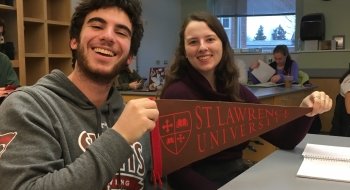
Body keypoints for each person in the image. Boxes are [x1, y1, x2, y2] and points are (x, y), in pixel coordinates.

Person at [0, 0, 164, 189]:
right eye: (96, 25)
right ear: (74, 41)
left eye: (121, 32)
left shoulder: (136, 120)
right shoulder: (27, 107)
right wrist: (120, 137)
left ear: (129, 57)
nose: (108, 36)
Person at [160, 11, 332, 190]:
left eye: (210, 39)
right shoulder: (176, 94)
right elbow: (176, 173)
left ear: (223, 44)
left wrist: (306, 110)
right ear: (184, 51)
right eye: (193, 41)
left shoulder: (236, 91)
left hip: (238, 176)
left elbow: (284, 139)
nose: (202, 47)